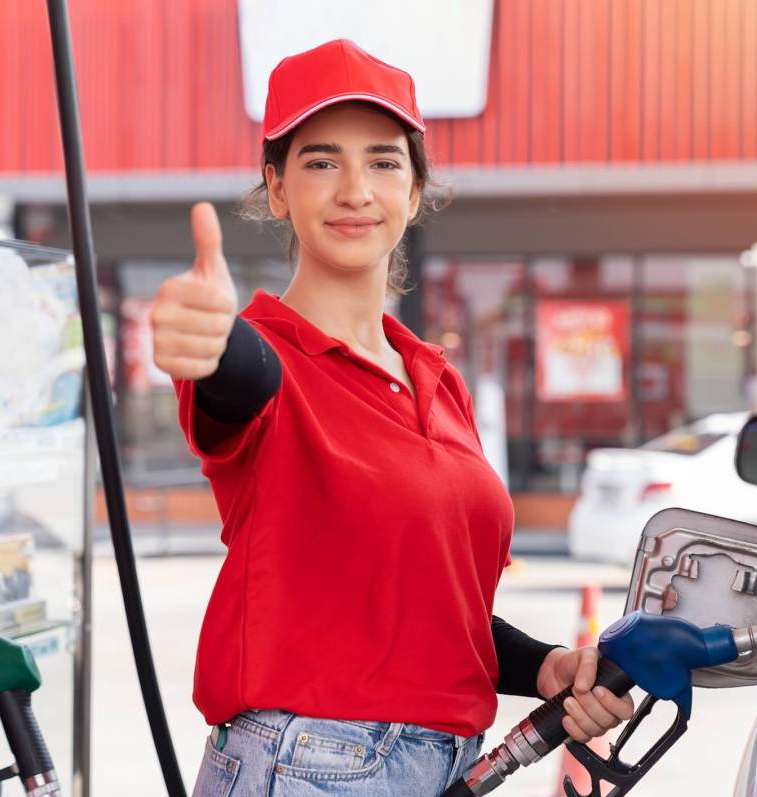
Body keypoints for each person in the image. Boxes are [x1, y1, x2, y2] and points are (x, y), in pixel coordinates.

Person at [150, 38, 633, 796]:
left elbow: (435, 611)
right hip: (306, 764)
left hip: (448, 764)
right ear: (276, 187)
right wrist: (209, 337)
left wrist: (545, 665)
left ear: (413, 193)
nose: (354, 189)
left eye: (382, 161)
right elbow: (234, 377)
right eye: (320, 161)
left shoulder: (437, 382)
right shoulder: (268, 361)